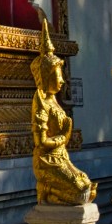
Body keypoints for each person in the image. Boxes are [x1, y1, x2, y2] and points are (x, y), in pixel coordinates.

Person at [31, 20, 96, 205]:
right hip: (47, 161)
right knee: (79, 189)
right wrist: (64, 137)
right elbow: (41, 141)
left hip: (61, 158)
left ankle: (52, 192)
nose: (62, 81)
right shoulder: (41, 103)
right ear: (47, 76)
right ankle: (48, 190)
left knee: (86, 184)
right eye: (58, 75)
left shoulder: (55, 103)